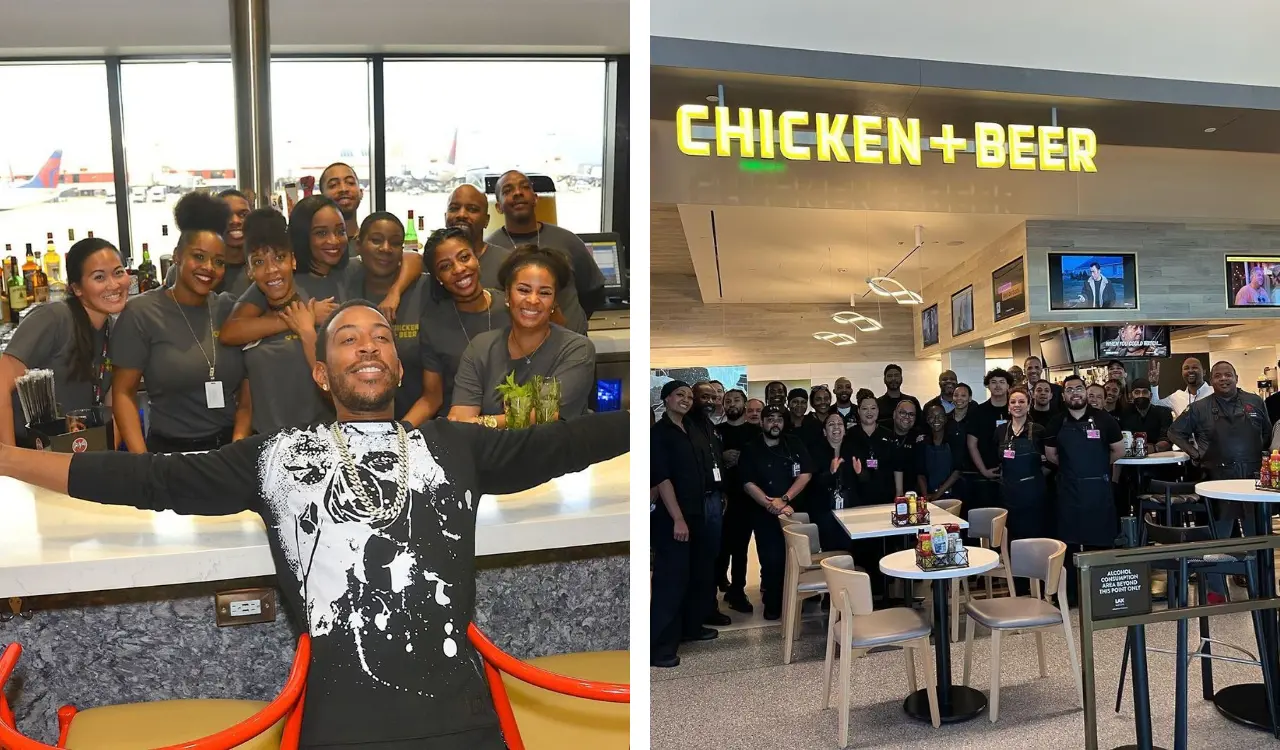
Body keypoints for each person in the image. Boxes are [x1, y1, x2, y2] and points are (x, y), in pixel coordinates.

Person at [0, 298, 627, 748]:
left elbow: (568, 442)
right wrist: (6, 459)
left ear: (399, 367)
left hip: (459, 714)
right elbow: (148, 480)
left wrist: (650, 425)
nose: (367, 345)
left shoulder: (454, 446)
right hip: (339, 722)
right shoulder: (276, 456)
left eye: (380, 336)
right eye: (347, 338)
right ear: (322, 374)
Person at [111, 192, 249, 453]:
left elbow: (247, 390)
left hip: (227, 451)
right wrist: (143, 462)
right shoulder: (142, 313)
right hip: (169, 454)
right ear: (176, 256)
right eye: (199, 256)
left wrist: (237, 446)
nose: (209, 267)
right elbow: (123, 394)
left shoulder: (228, 308)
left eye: (219, 262)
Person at [221, 196, 425, 346]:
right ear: (303, 235)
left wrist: (394, 293)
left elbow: (412, 258)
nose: (333, 241)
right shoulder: (282, 278)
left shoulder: (351, 269)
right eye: (321, 233)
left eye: (340, 231)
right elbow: (231, 332)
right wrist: (301, 318)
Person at [0, 238, 129, 446]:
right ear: (77, 288)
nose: (113, 285)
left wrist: (105, 460)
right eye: (99, 277)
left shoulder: (115, 331)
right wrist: (9, 459)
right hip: (31, 450)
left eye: (118, 272)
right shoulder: (54, 318)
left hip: (78, 452)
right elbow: (1, 384)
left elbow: (115, 406)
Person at [235, 208, 336, 435]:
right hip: (266, 447)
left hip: (321, 443)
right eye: (259, 262)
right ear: (250, 272)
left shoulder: (321, 309)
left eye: (279, 258)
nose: (271, 270)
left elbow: (336, 392)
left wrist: (307, 332)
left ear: (293, 261)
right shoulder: (252, 321)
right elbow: (246, 405)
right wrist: (236, 450)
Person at [340, 212, 435, 425]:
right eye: (376, 240)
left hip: (418, 423)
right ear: (358, 245)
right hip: (355, 424)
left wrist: (395, 292)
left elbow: (415, 258)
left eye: (395, 243)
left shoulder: (423, 288)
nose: (385, 248)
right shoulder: (346, 281)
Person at [651, 381, 721, 667]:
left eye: (690, 396)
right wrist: (678, 518)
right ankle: (659, 647)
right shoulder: (659, 434)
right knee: (672, 580)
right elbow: (662, 478)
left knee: (697, 574)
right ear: (666, 399)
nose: (686, 399)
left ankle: (691, 628)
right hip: (673, 517)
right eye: (680, 395)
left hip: (698, 511)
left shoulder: (691, 428)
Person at [485, 170, 605, 334]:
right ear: (498, 207)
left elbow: (593, 291)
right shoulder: (491, 248)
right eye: (507, 191)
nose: (518, 193)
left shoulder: (567, 240)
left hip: (570, 346)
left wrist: (573, 322)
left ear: (535, 198)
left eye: (524, 187)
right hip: (516, 349)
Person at [1169, 362, 1271, 543]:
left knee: (1257, 534)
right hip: (1217, 478)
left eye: (1228, 375)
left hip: (1252, 477)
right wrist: (1194, 453)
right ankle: (1217, 570)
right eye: (1218, 376)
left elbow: (1266, 433)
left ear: (1236, 378)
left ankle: (1254, 570)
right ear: (1211, 381)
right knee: (1220, 535)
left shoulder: (1255, 401)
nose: (1224, 379)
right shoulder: (1199, 408)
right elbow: (1174, 432)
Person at [1045, 374, 1125, 605]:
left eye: (1079, 388)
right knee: (1067, 546)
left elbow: (1118, 451)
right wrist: (1075, 471)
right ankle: (1068, 597)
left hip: (1098, 490)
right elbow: (1051, 455)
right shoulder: (1056, 422)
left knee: (1100, 543)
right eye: (1070, 390)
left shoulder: (1105, 419)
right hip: (1068, 490)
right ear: (1064, 395)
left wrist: (1094, 467)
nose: (1075, 393)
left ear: (1085, 392)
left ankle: (1101, 597)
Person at [415, 227, 507, 425]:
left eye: (464, 257)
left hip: (516, 425)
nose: (458, 269)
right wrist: (400, 433)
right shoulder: (433, 325)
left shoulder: (511, 306)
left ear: (477, 258)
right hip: (459, 429)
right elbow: (432, 398)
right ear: (438, 279)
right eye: (445, 267)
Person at [740, 404, 811, 620]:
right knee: (771, 560)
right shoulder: (751, 448)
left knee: (796, 558)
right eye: (770, 419)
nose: (775, 423)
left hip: (793, 512)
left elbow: (805, 473)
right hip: (764, 513)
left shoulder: (795, 443)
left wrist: (785, 499)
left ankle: (798, 600)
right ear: (761, 422)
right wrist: (771, 504)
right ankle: (773, 603)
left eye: (779, 419)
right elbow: (747, 482)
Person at [838, 393, 898, 602]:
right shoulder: (850, 436)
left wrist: (897, 495)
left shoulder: (887, 434)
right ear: (858, 411)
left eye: (873, 408)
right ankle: (865, 589)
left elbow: (895, 467)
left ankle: (885, 588)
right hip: (858, 497)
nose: (869, 412)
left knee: (883, 542)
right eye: (865, 408)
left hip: (884, 495)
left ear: (878, 411)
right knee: (862, 544)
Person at [714, 388, 760, 613]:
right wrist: (721, 458)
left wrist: (744, 460)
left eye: (737, 400)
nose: (732, 403)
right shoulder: (716, 432)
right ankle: (714, 591)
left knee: (741, 549)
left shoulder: (755, 431)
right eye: (728, 400)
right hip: (721, 498)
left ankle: (738, 591)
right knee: (721, 548)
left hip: (746, 498)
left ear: (744, 403)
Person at [163, 189, 254, 298]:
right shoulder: (182, 271)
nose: (236, 221)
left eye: (243, 214)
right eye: (228, 215)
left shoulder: (261, 271)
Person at [997, 387, 1050, 540]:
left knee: (1033, 536)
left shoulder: (1039, 430)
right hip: (1008, 493)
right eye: (1013, 402)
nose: (1017, 405)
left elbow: (1051, 461)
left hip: (1033, 494)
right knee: (1010, 536)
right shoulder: (1000, 431)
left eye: (1021, 401)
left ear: (1028, 405)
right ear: (1008, 407)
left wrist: (1035, 478)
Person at [807, 411, 861, 551]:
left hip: (851, 511)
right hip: (824, 511)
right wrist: (831, 473)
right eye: (831, 424)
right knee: (831, 549)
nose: (836, 427)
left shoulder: (854, 449)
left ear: (844, 430)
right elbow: (812, 484)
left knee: (852, 549)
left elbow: (865, 482)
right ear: (825, 432)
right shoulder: (815, 451)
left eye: (839, 424)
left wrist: (860, 473)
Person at [966, 368, 1013, 511]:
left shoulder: (1016, 409)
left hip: (1013, 475)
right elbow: (971, 444)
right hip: (985, 475)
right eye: (993, 382)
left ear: (1008, 386)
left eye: (1002, 382)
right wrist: (984, 471)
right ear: (987, 385)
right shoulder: (978, 411)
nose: (998, 386)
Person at [445, 183, 507, 289]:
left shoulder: (506, 262)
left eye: (472, 209)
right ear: (445, 216)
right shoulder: (431, 262)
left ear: (486, 221)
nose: (461, 214)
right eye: (454, 208)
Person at [915, 403, 963, 502]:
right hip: (928, 496)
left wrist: (937, 495)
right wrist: (926, 497)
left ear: (945, 419)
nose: (936, 420)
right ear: (927, 420)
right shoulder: (922, 443)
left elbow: (957, 471)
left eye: (940, 416)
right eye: (932, 417)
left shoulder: (954, 441)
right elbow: (920, 473)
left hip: (952, 497)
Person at [319, 161, 364, 253]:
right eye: (333, 185)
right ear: (321, 197)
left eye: (350, 183)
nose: (343, 189)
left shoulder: (371, 244)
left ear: (361, 193)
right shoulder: (317, 248)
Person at [1119, 378, 1173, 452]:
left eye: (1144, 392)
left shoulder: (1164, 412)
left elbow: (1167, 439)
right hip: (1133, 460)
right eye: (1137, 392)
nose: (1141, 395)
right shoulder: (1124, 414)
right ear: (1131, 396)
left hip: (1160, 459)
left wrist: (1154, 448)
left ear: (1150, 396)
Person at [886, 400, 924, 496]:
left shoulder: (919, 438)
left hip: (910, 494)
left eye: (911, 414)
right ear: (894, 414)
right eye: (902, 413)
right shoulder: (882, 432)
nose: (907, 417)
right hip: (881, 493)